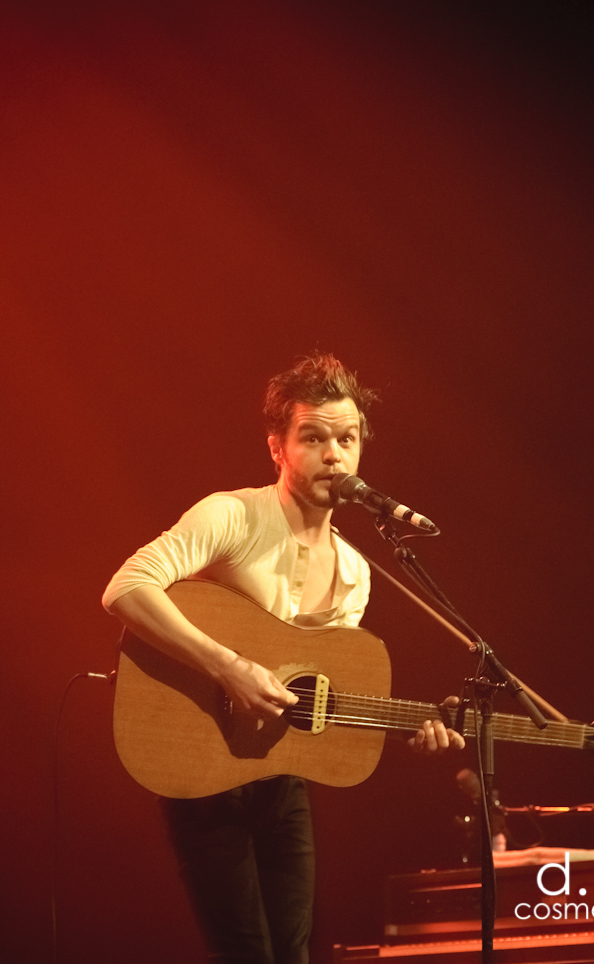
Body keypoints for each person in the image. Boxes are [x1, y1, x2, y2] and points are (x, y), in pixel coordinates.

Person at [102, 352, 464, 964]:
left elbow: (322, 699)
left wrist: (410, 727)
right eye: (313, 437)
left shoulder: (356, 570)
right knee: (246, 952)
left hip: (280, 780)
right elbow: (126, 588)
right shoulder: (233, 515)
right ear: (277, 447)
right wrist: (227, 666)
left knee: (292, 952)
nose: (333, 455)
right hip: (201, 767)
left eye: (346, 439)